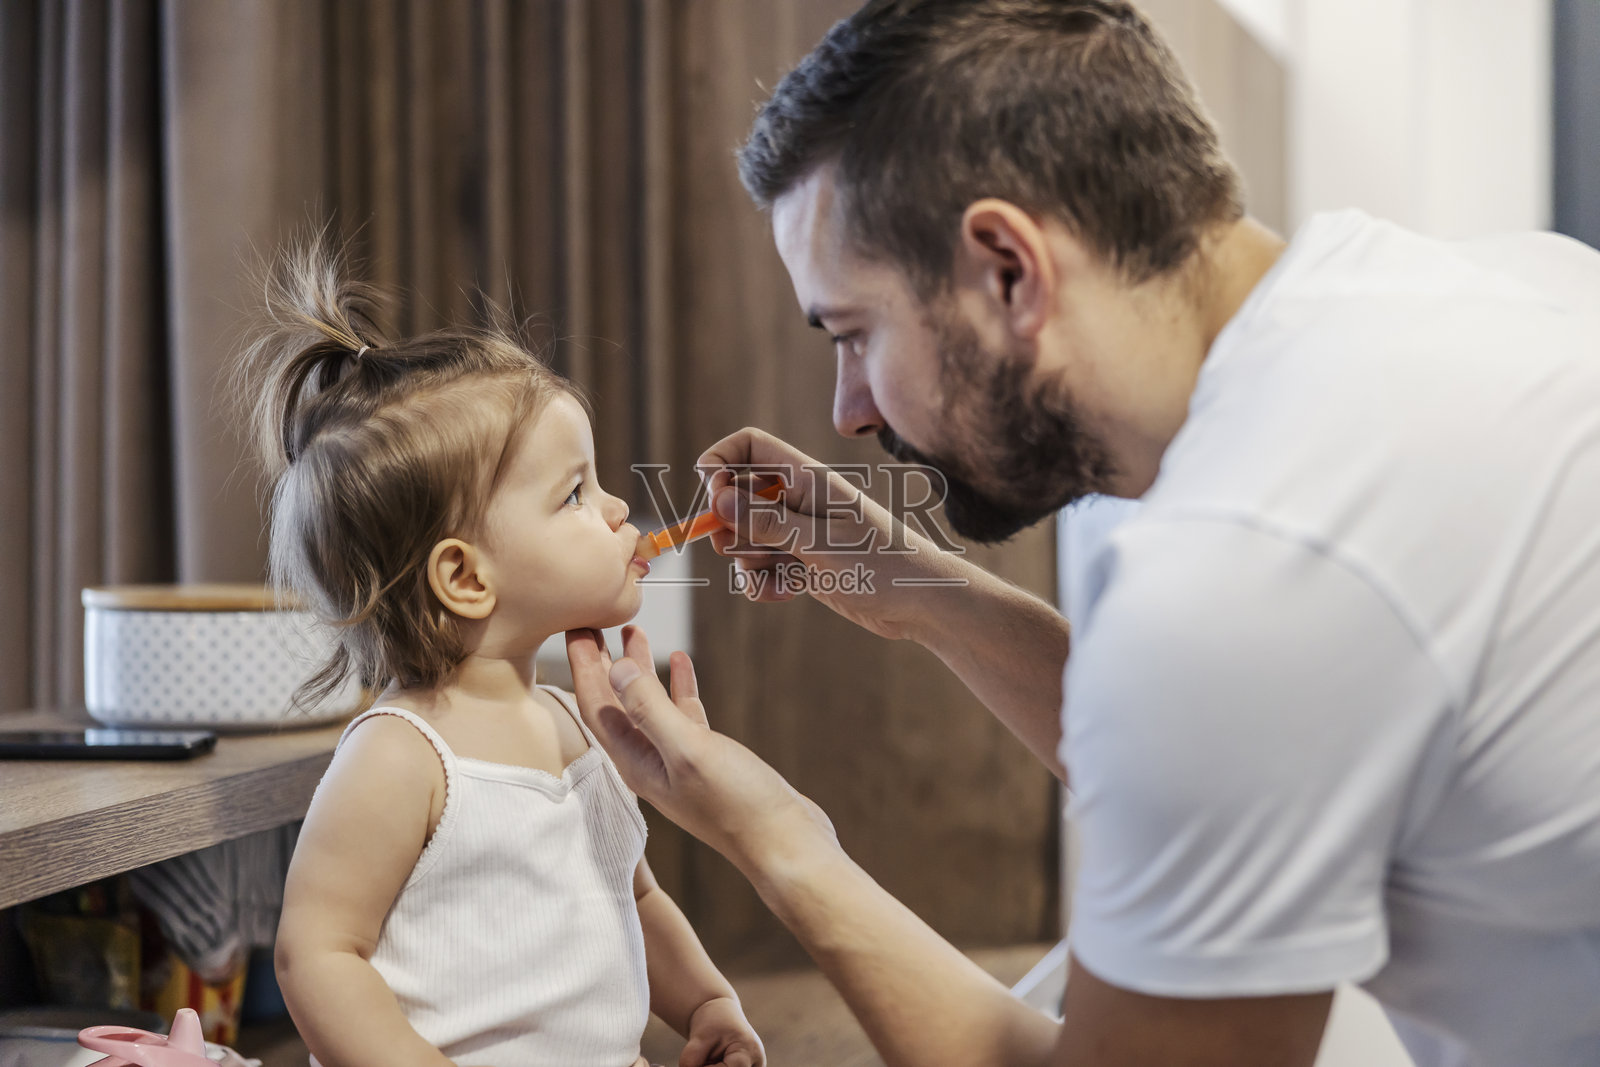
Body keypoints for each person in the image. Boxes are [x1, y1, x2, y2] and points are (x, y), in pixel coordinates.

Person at [565, 2, 1600, 1066]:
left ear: (1007, 268)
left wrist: (775, 836)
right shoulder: (1510, 284)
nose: (847, 411)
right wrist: (922, 589)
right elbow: (1243, 750)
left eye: (854, 333)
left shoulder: (1248, 572)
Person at [245, 241, 764, 1067]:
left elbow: (633, 892)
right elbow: (315, 952)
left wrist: (706, 1001)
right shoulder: (402, 755)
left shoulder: (576, 719)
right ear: (465, 575)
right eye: (574, 492)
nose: (617, 504)